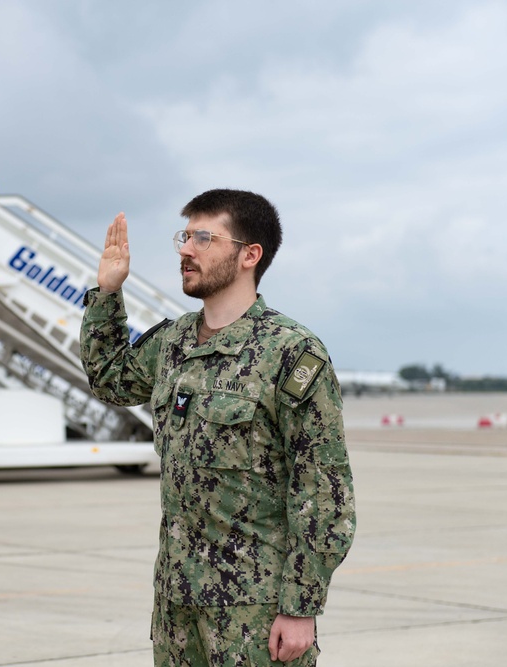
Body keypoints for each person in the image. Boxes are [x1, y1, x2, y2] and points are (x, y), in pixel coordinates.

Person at [79, 191, 355, 666]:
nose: (186, 249)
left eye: (204, 237)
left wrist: (300, 608)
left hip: (254, 610)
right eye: (185, 236)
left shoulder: (290, 354)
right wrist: (107, 294)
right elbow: (110, 379)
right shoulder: (174, 341)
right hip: (176, 604)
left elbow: (323, 491)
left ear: (250, 254)